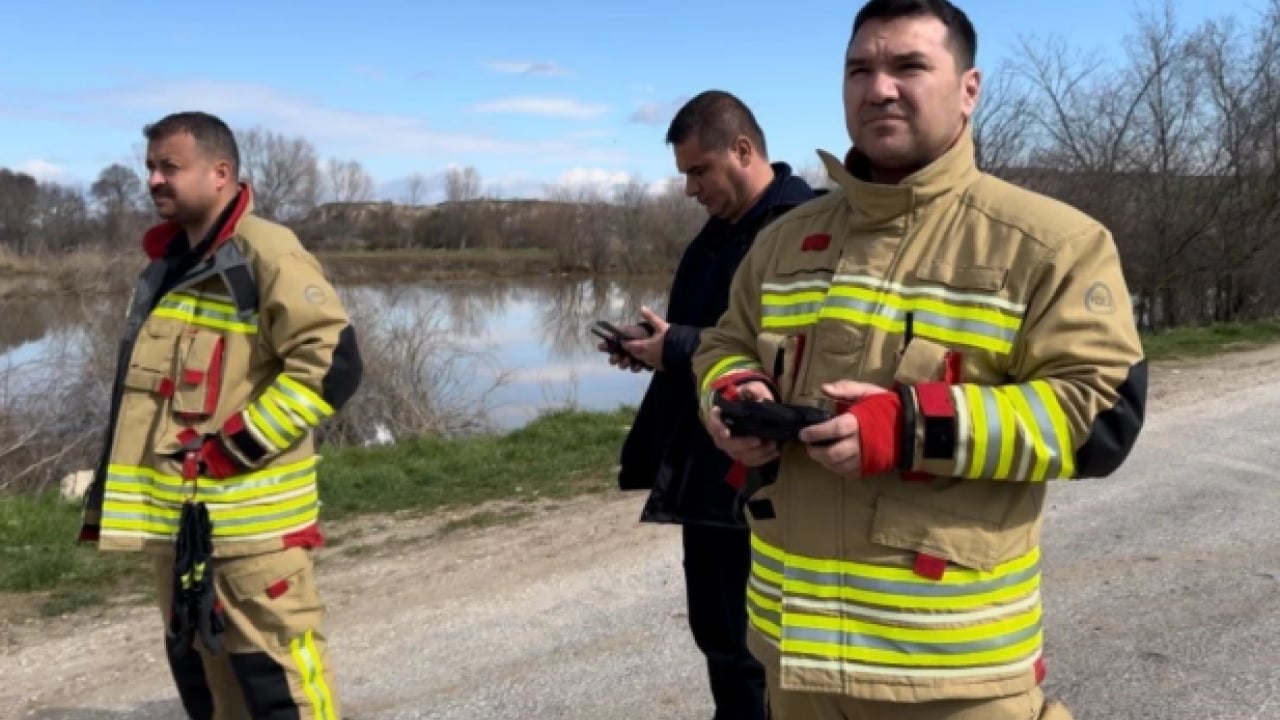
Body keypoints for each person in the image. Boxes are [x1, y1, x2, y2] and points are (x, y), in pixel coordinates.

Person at [690, 2, 1147, 718]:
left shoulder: (1052, 243)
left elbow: (1100, 418)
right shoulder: (784, 241)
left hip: (949, 673)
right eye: (859, 69)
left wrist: (908, 428)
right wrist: (735, 391)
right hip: (791, 660)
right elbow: (724, 343)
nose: (879, 88)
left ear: (969, 88)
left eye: (908, 66)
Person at [77, 111, 362, 720]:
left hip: (252, 533)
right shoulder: (166, 263)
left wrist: (232, 449)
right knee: (207, 683)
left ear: (221, 173)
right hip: (181, 528)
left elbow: (333, 363)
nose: (154, 179)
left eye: (169, 167)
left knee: (279, 683)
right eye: (150, 167)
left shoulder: (264, 252)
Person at [601, 90, 818, 720]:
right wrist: (654, 350)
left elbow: (794, 353)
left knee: (760, 650)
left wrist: (679, 347)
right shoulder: (716, 236)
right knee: (721, 643)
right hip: (705, 472)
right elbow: (710, 339)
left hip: (759, 477)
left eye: (699, 171)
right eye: (685, 175)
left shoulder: (800, 229)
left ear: (744, 150)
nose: (690, 189)